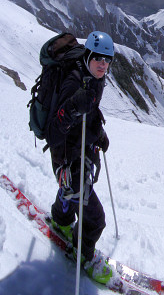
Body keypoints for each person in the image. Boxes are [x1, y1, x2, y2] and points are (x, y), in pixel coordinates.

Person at [47, 31, 114, 284]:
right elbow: (54, 133)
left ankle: (61, 220)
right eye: (98, 58)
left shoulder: (95, 77)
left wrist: (99, 133)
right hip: (65, 157)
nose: (103, 64)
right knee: (95, 220)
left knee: (74, 190)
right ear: (88, 54)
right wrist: (74, 106)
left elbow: (91, 109)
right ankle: (83, 254)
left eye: (107, 59)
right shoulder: (74, 82)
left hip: (81, 148)